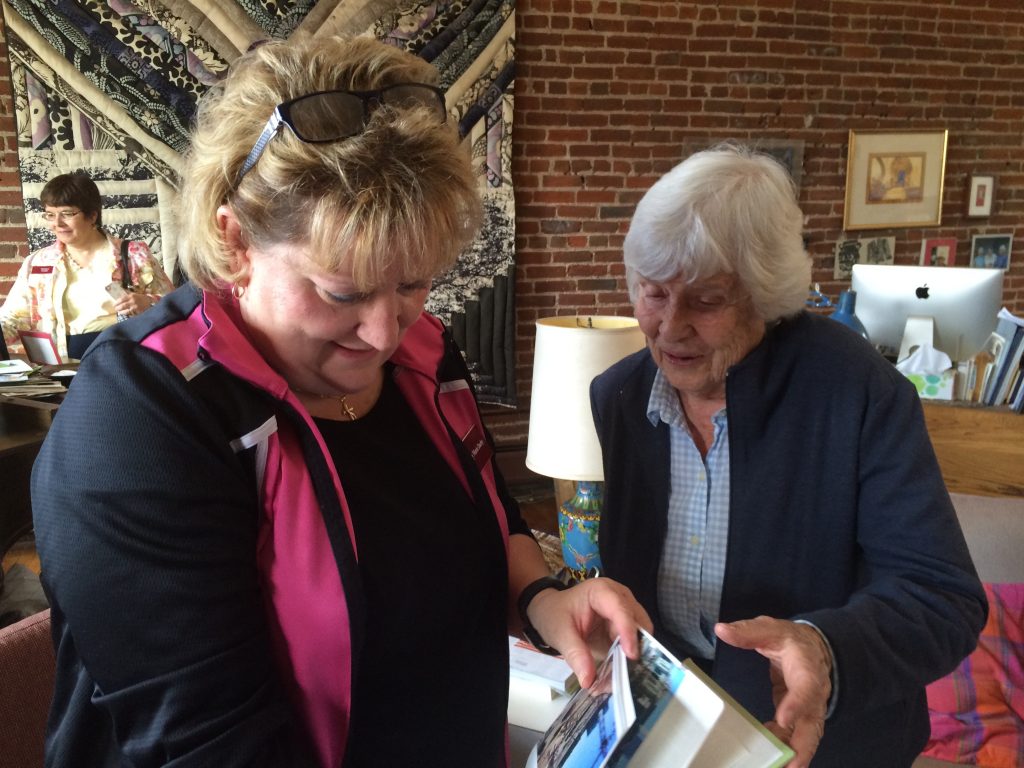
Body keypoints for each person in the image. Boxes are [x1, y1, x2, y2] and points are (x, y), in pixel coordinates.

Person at [30, 34, 650, 768]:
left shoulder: (427, 356)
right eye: (342, 292)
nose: (384, 332)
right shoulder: (141, 415)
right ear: (236, 242)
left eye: (413, 282)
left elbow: (494, 518)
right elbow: (205, 745)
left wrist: (543, 600)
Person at [590, 145, 987, 767]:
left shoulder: (859, 393)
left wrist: (825, 650)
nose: (669, 326)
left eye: (706, 300)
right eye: (653, 292)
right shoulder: (618, 396)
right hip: (676, 738)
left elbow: (942, 598)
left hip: (823, 744)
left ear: (766, 294)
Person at [0, 171, 173, 360]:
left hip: (121, 359)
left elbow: (174, 307)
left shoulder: (132, 254)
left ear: (92, 216)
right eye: (50, 215)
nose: (57, 223)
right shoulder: (38, 262)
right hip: (59, 366)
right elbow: (15, 317)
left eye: (67, 214)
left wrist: (147, 303)